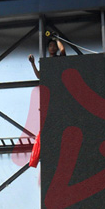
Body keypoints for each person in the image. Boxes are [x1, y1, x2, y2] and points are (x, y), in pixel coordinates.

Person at [26, 37, 65, 167]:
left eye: (54, 46)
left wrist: (57, 38)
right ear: (48, 49)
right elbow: (39, 76)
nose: (52, 48)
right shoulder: (46, 63)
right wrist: (33, 63)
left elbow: (63, 51)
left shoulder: (58, 60)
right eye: (50, 46)